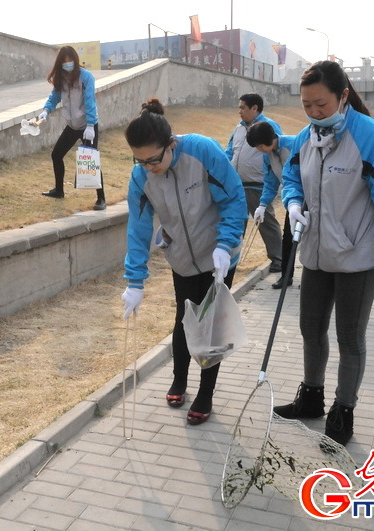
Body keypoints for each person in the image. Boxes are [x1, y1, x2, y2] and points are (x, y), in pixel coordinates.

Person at [273, 61, 374, 446]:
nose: (314, 112)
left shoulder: (369, 137)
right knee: (310, 329)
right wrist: (293, 201)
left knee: (349, 337)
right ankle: (311, 398)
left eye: (321, 104)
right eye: (307, 105)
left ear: (343, 96)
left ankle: (343, 410)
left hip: (358, 257)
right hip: (317, 255)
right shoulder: (306, 136)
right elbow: (291, 177)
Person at [121, 98, 248, 426]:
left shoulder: (201, 151)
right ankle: (180, 378)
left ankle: (206, 393)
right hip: (182, 259)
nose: (148, 167)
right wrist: (135, 282)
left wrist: (226, 243)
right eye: (140, 161)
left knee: (211, 325)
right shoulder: (141, 177)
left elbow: (234, 197)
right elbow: (137, 227)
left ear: (171, 144)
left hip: (219, 256)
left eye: (153, 159)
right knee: (184, 318)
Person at [37, 46, 106, 210]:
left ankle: (101, 199)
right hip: (72, 125)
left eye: (70, 61)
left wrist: (90, 126)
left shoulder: (86, 77)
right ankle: (59, 190)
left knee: (91, 161)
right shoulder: (61, 77)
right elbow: (54, 96)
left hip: (87, 124)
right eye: (64, 61)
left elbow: (90, 102)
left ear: (75, 60)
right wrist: (46, 111)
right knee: (56, 154)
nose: (67, 64)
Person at [225, 93, 284, 273]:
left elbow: (277, 152)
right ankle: (231, 259)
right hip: (237, 186)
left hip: (258, 185)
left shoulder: (268, 127)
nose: (240, 111)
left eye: (243, 107)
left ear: (255, 108)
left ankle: (278, 259)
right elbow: (229, 152)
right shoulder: (239, 128)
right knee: (235, 222)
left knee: (266, 222)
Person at [245, 121, 297, 289]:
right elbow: (270, 182)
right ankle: (286, 276)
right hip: (293, 200)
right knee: (288, 238)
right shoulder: (268, 155)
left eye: (258, 147)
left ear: (263, 143)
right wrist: (262, 205)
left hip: (311, 198)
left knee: (314, 238)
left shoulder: (295, 145)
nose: (259, 151)